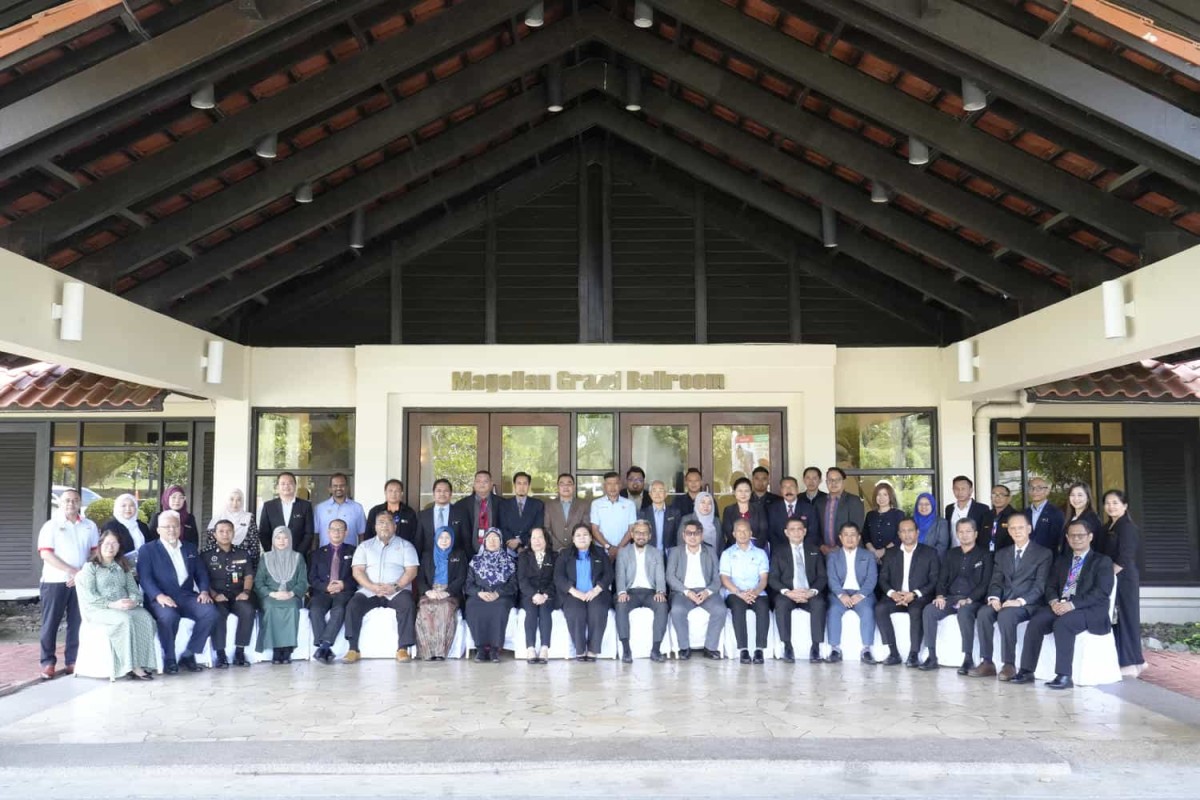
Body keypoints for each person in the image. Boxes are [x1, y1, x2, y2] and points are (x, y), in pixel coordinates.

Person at [1011, 521, 1114, 690]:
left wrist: (1072, 605)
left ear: (1090, 537)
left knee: (1063, 624)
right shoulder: (1062, 560)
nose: (1076, 539)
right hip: (1061, 605)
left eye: (1080, 535)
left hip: (1089, 609)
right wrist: (1053, 602)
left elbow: (1101, 592)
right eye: (1072, 535)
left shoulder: (1102, 561)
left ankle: (1064, 675)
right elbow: (1050, 586)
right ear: (1067, 538)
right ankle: (1027, 671)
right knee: (1036, 622)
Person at [969, 513, 1052, 680]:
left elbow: (1040, 586)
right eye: (1012, 528)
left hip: (1028, 603)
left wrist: (1019, 601)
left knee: (1006, 615)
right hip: (1004, 600)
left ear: (1029, 529)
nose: (1016, 531)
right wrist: (994, 598)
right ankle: (987, 662)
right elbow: (996, 581)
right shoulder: (1002, 554)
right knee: (984, 612)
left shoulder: (1043, 553)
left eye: (1020, 527)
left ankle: (1009, 664)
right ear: (1008, 531)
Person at [137, 510, 218, 674]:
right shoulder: (147, 550)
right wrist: (158, 595)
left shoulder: (190, 548)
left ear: (180, 528)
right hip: (161, 597)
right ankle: (169, 658)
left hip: (186, 595)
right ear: (158, 530)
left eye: (175, 526)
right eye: (167, 527)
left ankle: (190, 653)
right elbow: (145, 578)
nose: (171, 530)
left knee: (210, 612)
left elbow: (201, 573)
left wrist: (203, 591)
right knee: (169, 617)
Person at [74, 529, 156, 681]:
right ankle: (130, 666)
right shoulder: (91, 567)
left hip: (123, 606)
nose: (110, 547)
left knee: (145, 618)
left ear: (119, 546)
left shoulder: (122, 566)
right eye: (107, 543)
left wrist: (133, 601)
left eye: (114, 544)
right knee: (124, 620)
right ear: (100, 545)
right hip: (99, 609)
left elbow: (133, 590)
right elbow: (90, 596)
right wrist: (112, 604)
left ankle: (143, 662)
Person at [36, 489, 97, 680]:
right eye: (67, 500)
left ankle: (72, 660)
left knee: (77, 622)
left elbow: (95, 553)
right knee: (50, 623)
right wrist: (72, 571)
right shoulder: (51, 525)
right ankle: (48, 662)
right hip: (54, 581)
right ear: (61, 503)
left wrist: (82, 573)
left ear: (80, 503)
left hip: (80, 581)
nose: (71, 503)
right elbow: (46, 554)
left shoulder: (89, 526)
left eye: (75, 500)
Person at [919, 519, 992, 674]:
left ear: (975, 534)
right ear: (957, 534)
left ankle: (968, 658)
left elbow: (985, 583)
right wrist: (940, 595)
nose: (964, 535)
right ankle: (931, 656)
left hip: (973, 600)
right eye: (961, 532)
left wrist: (969, 599)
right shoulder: (951, 554)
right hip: (951, 598)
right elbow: (942, 579)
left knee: (964, 611)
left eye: (968, 531)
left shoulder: (985, 555)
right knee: (929, 610)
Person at [344, 514, 419, 663]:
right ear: (375, 527)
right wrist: (371, 586)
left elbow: (411, 571)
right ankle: (353, 649)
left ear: (395, 526)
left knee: (408, 604)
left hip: (396, 590)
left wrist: (395, 587)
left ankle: (402, 649)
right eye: (381, 522)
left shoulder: (406, 546)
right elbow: (357, 571)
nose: (385, 525)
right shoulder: (364, 546)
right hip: (370, 590)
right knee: (353, 605)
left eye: (389, 522)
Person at [874, 518, 939, 667]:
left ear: (917, 533)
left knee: (916, 610)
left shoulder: (930, 553)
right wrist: (892, 593)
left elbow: (934, 580)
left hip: (918, 597)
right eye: (903, 531)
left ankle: (914, 654)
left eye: (910, 531)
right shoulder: (891, 553)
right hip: (896, 596)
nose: (907, 534)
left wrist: (914, 594)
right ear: (898, 534)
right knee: (880, 608)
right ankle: (893, 653)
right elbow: (883, 578)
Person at [769, 518, 828, 664]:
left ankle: (815, 647)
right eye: (792, 529)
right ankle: (787, 646)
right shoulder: (779, 551)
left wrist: (812, 592)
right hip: (789, 593)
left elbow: (822, 576)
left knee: (819, 603)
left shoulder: (814, 550)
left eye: (799, 529)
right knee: (781, 604)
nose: (796, 532)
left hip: (809, 593)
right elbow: (773, 578)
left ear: (805, 531)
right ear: (786, 532)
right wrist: (788, 592)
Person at [665, 521, 725, 660]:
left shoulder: (710, 551)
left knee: (720, 610)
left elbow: (717, 578)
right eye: (689, 533)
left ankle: (710, 648)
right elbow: (670, 576)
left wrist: (707, 592)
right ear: (683, 535)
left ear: (702, 535)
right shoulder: (676, 552)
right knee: (677, 610)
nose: (692, 537)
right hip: (683, 592)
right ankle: (684, 648)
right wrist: (687, 592)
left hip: (706, 591)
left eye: (696, 533)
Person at [555, 524, 613, 661]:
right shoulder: (565, 554)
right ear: (573, 539)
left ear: (591, 538)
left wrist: (596, 589)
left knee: (598, 610)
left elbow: (609, 574)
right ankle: (580, 650)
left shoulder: (600, 553)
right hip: (573, 593)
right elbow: (558, 577)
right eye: (578, 535)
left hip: (596, 593)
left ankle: (593, 649)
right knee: (575, 612)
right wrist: (575, 592)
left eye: (585, 535)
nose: (582, 538)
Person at [203, 519, 257, 668]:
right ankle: (220, 655)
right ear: (214, 534)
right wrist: (214, 595)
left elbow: (249, 575)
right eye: (221, 531)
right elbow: (203, 579)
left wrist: (246, 592)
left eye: (228, 531)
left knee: (248, 610)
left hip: (238, 594)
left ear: (233, 533)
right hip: (218, 596)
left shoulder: (243, 553)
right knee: (218, 614)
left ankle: (240, 652)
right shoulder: (206, 555)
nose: (225, 534)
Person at [1102, 489, 1144, 676]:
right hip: (1112, 578)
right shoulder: (1107, 527)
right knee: (1115, 619)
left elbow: (1124, 557)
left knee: (1127, 618)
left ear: (1125, 506)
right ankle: (1127, 660)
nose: (1111, 507)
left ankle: (1132, 662)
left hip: (1124, 579)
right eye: (1107, 503)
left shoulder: (1127, 527)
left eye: (1115, 503)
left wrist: (1106, 577)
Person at [614, 520, 668, 663]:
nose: (641, 536)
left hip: (650, 592)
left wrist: (660, 591)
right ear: (632, 534)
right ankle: (626, 650)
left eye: (644, 533)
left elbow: (660, 575)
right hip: (630, 592)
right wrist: (622, 592)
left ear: (649, 536)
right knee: (621, 606)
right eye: (638, 532)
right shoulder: (623, 552)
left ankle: (656, 650)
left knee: (662, 606)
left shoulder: (656, 552)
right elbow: (620, 575)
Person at [254, 526, 308, 664]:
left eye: (285, 538)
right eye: (278, 538)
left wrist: (291, 593)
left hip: (291, 596)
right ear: (273, 540)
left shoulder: (298, 557)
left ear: (290, 539)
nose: (281, 541)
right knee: (271, 608)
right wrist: (271, 593)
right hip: (270, 596)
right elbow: (258, 582)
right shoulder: (266, 557)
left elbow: (303, 582)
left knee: (292, 607)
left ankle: (287, 649)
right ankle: (277, 649)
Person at [825, 522, 877, 664]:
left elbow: (871, 579)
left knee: (867, 611)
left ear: (859, 537)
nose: (849, 538)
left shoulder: (868, 555)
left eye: (853, 535)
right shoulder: (833, 556)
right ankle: (835, 649)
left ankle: (866, 649)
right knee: (834, 610)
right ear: (840, 538)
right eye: (846, 535)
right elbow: (832, 579)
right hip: (840, 594)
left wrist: (860, 595)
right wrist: (841, 595)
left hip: (862, 594)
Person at [720, 519, 770, 664]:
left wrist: (755, 592)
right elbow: (725, 579)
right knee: (738, 607)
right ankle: (743, 650)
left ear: (751, 533)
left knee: (763, 607)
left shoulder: (760, 553)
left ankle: (759, 649)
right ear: (733, 534)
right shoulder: (727, 554)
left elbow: (764, 579)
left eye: (745, 531)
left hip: (757, 592)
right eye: (739, 531)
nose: (742, 534)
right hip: (734, 593)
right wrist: (739, 593)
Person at [464, 528, 518, 663]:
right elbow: (468, 585)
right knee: (472, 606)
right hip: (480, 595)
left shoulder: (510, 561)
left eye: (496, 539)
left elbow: (513, 585)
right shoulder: (475, 561)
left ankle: (495, 649)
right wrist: (479, 593)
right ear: (484, 542)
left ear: (501, 542)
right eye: (489, 539)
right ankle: (480, 649)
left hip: (502, 596)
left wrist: (498, 593)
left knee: (499, 607)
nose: (492, 542)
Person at [309, 519, 358, 664]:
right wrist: (325, 587)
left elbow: (358, 575)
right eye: (333, 529)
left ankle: (324, 646)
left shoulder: (355, 551)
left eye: (340, 529)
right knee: (315, 609)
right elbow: (312, 578)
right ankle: (325, 648)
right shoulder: (317, 553)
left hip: (344, 592)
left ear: (346, 532)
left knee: (339, 609)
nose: (336, 532)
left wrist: (343, 585)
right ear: (328, 532)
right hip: (323, 592)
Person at [415, 527, 467, 661]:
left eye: (447, 538)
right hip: (430, 591)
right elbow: (420, 578)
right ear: (436, 539)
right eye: (441, 537)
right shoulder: (427, 555)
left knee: (444, 608)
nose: (444, 541)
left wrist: (447, 592)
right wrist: (428, 591)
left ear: (452, 540)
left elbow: (461, 577)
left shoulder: (459, 554)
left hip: (450, 592)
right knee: (425, 608)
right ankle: (427, 652)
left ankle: (440, 651)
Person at [517, 527, 556, 664]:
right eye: (534, 538)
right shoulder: (523, 556)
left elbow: (556, 580)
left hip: (548, 594)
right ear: (530, 540)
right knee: (531, 611)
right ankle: (531, 648)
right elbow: (522, 580)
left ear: (546, 540)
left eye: (540, 537)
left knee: (545, 611)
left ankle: (544, 648)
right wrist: (534, 594)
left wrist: (545, 595)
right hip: (529, 594)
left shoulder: (554, 556)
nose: (537, 541)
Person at [258, 472, 315, 555]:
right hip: (274, 556)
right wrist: (272, 553)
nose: (286, 486)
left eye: (290, 483)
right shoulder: (269, 506)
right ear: (277, 487)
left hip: (298, 556)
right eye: (283, 484)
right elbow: (263, 533)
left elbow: (309, 533)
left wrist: (298, 554)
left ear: (295, 486)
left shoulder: (305, 506)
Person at [814, 468, 865, 556]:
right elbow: (815, 528)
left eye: (837, 480)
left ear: (844, 482)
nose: (833, 483)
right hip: (824, 553)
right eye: (830, 480)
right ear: (826, 482)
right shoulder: (819, 502)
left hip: (849, 552)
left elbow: (857, 528)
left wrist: (838, 547)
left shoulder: (854, 501)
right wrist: (821, 546)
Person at [417, 478, 472, 557]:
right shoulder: (422, 515)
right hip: (429, 560)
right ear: (434, 494)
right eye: (439, 491)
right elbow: (418, 541)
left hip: (454, 559)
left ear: (450, 494)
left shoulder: (461, 514)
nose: (442, 494)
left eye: (446, 491)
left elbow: (466, 541)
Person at [590, 471, 638, 558]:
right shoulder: (596, 504)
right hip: (601, 550)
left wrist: (618, 549)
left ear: (620, 485)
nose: (612, 487)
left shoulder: (629, 504)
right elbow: (595, 530)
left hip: (624, 551)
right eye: (609, 484)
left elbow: (631, 529)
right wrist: (609, 547)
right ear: (604, 486)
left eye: (616, 483)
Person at [767, 476, 819, 555]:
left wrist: (801, 549)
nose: (789, 490)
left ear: (797, 490)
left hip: (804, 552)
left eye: (792, 487)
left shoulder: (809, 508)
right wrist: (784, 550)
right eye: (785, 487)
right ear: (781, 491)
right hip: (780, 553)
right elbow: (771, 533)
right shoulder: (772, 509)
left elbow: (813, 533)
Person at [455, 470, 500, 555]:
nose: (482, 484)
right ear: (474, 484)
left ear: (491, 484)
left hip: (495, 553)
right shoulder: (461, 505)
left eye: (485, 481)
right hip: (467, 553)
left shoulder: (501, 503)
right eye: (478, 481)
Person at [314, 473, 367, 547]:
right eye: (335, 486)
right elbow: (315, 535)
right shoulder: (320, 508)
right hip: (325, 552)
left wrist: (362, 552)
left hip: (350, 552)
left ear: (347, 488)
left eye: (342, 485)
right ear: (330, 489)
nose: (338, 488)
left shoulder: (357, 508)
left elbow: (362, 535)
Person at [204, 489, 260, 557]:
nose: (235, 503)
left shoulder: (248, 518)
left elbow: (254, 544)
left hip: (243, 558)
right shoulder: (218, 517)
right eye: (231, 499)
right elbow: (210, 544)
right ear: (226, 500)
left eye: (238, 500)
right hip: (219, 558)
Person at [543, 473, 591, 552]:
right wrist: (558, 547)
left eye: (569, 484)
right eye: (562, 484)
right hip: (555, 550)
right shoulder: (549, 505)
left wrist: (573, 547)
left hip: (577, 549)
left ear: (574, 486)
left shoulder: (583, 505)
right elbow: (546, 528)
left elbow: (586, 527)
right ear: (557, 487)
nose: (566, 487)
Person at [498, 471, 545, 551]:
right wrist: (513, 543)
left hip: (530, 547)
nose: (521, 487)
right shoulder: (504, 504)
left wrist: (520, 541)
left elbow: (537, 526)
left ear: (529, 486)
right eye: (519, 483)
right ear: (514, 485)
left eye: (525, 484)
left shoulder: (538, 504)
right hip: (509, 547)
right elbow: (503, 527)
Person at [365, 479, 419, 546]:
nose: (393, 494)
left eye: (397, 491)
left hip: (402, 549)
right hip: (379, 549)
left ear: (402, 493)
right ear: (385, 493)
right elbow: (368, 535)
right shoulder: (375, 511)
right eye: (390, 491)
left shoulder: (410, 512)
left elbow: (414, 536)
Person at [102, 493, 152, 566]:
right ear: (117, 508)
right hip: (120, 567)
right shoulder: (110, 526)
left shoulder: (142, 526)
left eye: (131, 505)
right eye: (123, 506)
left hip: (144, 566)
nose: (128, 509)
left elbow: (150, 546)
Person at [720, 477, 768, 550]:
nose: (743, 494)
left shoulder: (759, 508)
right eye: (740, 491)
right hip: (734, 549)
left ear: (751, 492)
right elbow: (729, 533)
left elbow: (763, 531)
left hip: (757, 548)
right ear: (734, 492)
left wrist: (754, 548)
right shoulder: (728, 510)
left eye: (746, 491)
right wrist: (741, 548)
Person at [638, 480, 683, 555]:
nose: (657, 494)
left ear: (666, 494)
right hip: (648, 555)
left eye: (661, 491)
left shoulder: (674, 513)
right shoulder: (642, 513)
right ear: (650, 494)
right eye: (654, 491)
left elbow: (678, 536)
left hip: (669, 555)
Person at [863, 483, 903, 563]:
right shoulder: (870, 515)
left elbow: (900, 536)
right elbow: (865, 535)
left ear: (890, 496)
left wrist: (883, 551)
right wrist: (873, 551)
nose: (881, 498)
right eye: (879, 495)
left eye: (885, 494)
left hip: (893, 558)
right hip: (873, 558)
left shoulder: (898, 514)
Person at [1025, 477, 1065, 553]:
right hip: (1028, 557)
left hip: (1049, 556)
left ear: (1047, 491)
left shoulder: (1056, 513)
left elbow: (1060, 539)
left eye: (1039, 488)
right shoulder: (1024, 513)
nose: (1034, 491)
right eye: (1031, 488)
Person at [1061, 482, 1103, 555]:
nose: (1076, 498)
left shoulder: (1091, 519)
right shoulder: (1071, 517)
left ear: (1088, 498)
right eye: (1072, 495)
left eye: (1080, 495)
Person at [979, 484, 1019, 553]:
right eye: (994, 495)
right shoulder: (986, 515)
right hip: (986, 555)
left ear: (1009, 498)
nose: (997, 498)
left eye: (1001, 495)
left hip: (1007, 555)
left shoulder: (1015, 516)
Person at [912, 492, 950, 560]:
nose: (923, 507)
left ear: (932, 505)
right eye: (920, 504)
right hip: (912, 561)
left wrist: (926, 560)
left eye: (927, 504)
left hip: (933, 561)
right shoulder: (910, 522)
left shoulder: (941, 523)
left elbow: (942, 546)